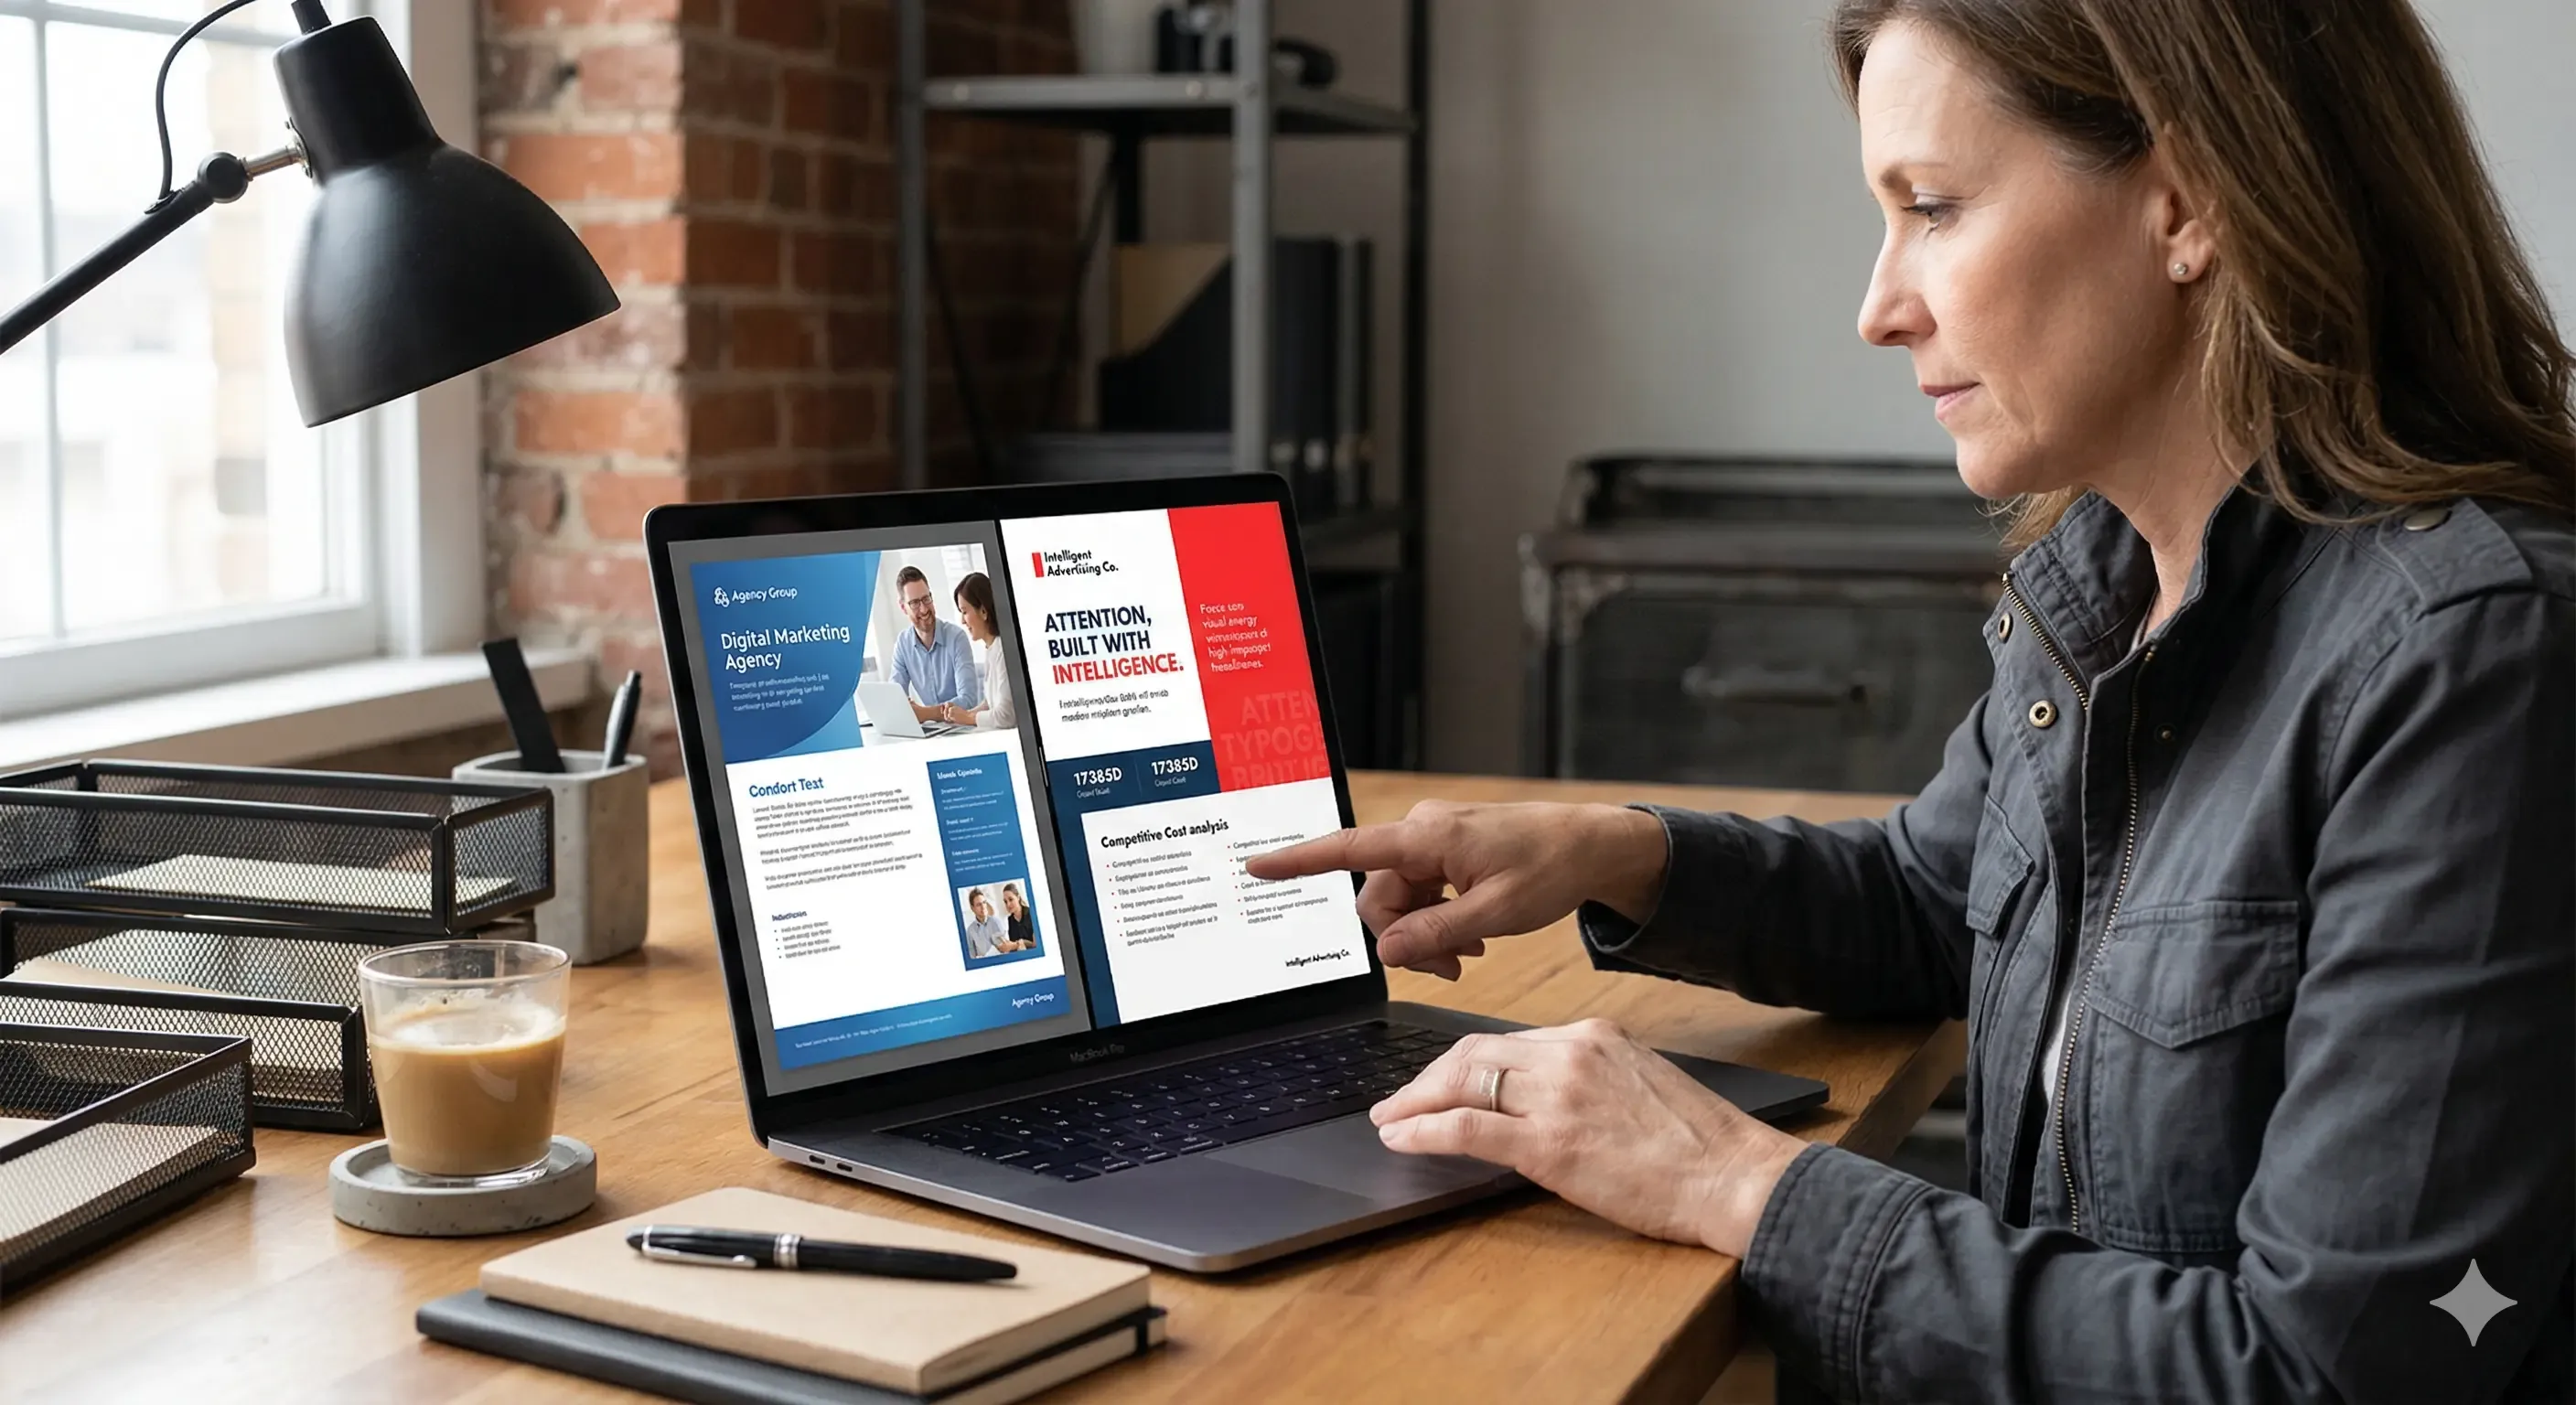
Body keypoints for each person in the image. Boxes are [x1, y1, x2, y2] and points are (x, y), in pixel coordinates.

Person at [1249, 1, 2574, 1399]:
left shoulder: (2478, 662)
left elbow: (2322, 1376)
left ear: (2191, 204)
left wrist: (1738, 1187)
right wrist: (1618, 852)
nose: (1881, 308)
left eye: (1933, 207)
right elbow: (1938, 901)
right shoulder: (2117, 580)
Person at [888, 563, 979, 721]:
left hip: (964, 729)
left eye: (926, 599)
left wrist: (925, 714)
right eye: (915, 603)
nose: (923, 609)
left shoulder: (957, 638)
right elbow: (895, 698)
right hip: (934, 733)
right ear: (903, 608)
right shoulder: (903, 645)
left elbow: (968, 700)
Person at [939, 572, 1017, 730]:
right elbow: (990, 703)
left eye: (965, 611)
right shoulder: (991, 648)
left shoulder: (1005, 650)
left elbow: (1005, 715)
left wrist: (968, 718)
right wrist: (961, 716)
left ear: (983, 611)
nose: (962, 620)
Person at [961, 889, 1011, 960]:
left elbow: (1007, 948)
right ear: (973, 908)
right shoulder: (970, 931)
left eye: (984, 902)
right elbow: (972, 957)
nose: (983, 907)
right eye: (979, 904)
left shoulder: (996, 922)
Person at [1000, 882, 1036, 952]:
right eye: (1005, 901)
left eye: (1011, 899)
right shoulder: (1010, 920)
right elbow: (1013, 947)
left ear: (1018, 898)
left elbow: (1035, 944)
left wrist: (1017, 944)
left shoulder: (1031, 913)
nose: (1008, 904)